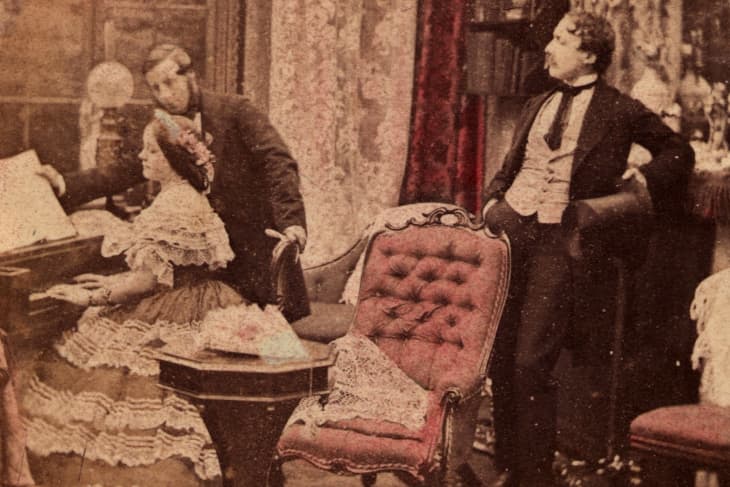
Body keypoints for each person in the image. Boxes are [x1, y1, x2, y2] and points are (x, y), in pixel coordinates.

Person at [23, 111, 298, 484]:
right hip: (203, 296)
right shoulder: (185, 195)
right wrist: (110, 281)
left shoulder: (173, 205)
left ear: (172, 159)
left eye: (151, 151)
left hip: (175, 306)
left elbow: (148, 282)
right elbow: (171, 270)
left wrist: (88, 297)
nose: (141, 158)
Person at [481, 10, 694, 487]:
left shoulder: (619, 110)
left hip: (564, 242)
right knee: (500, 356)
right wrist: (494, 200)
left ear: (589, 54)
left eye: (561, 40)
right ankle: (510, 466)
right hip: (513, 235)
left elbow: (679, 151)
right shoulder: (537, 103)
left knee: (530, 363)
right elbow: (514, 163)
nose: (549, 48)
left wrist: (636, 184)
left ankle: (534, 477)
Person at [38, 43, 309, 323]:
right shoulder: (166, 124)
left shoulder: (236, 110)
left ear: (190, 75)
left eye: (169, 82)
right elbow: (128, 168)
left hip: (251, 263)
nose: (164, 95)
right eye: (155, 88)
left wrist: (292, 222)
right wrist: (64, 183)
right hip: (200, 274)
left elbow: (278, 163)